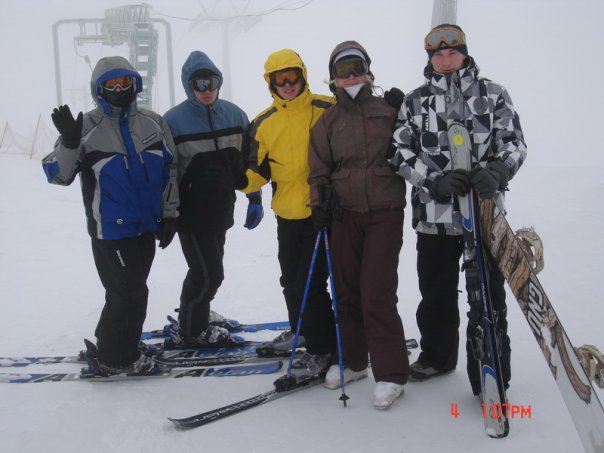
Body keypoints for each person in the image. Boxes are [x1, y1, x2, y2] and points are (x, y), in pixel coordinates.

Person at [389, 24, 527, 395]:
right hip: (434, 218)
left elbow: (514, 143)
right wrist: (432, 181)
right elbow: (399, 152)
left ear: (464, 54)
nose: (446, 61)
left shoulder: (492, 94)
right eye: (438, 55)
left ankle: (491, 369)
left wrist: (496, 171)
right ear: (430, 58)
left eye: (452, 53)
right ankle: (437, 357)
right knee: (436, 293)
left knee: (487, 294)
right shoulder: (415, 102)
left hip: (483, 215)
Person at [42, 56, 179, 377]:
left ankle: (112, 342)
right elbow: (58, 174)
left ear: (134, 83)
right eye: (111, 85)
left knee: (127, 290)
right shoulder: (86, 128)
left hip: (146, 227)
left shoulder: (153, 123)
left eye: (124, 82)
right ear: (99, 89)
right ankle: (117, 359)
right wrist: (69, 142)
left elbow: (171, 171)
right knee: (130, 294)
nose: (119, 90)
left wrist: (170, 214)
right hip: (111, 230)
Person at [308, 40, 409, 409]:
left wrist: (405, 108)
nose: (350, 76)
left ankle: (391, 374)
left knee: (377, 291)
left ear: (368, 71)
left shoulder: (388, 110)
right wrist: (318, 205)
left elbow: (414, 142)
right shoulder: (327, 122)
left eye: (357, 68)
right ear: (332, 78)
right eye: (342, 70)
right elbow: (318, 171)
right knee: (346, 289)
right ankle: (353, 362)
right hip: (344, 213)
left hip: (384, 209)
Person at [243, 49, 336, 379]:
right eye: (279, 79)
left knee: (310, 284)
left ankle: (323, 348)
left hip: (322, 212)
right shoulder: (264, 123)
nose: (287, 84)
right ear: (270, 83)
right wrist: (237, 178)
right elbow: (256, 171)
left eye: (292, 76)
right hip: (287, 214)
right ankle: (302, 331)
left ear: (302, 75)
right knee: (290, 281)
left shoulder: (327, 107)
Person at [163, 51, 252, 346]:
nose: (206, 90)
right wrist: (168, 212)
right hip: (190, 213)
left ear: (219, 81)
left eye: (211, 82)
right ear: (188, 86)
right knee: (208, 275)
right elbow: (167, 171)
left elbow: (248, 162)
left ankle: (197, 311)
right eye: (198, 84)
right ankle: (192, 330)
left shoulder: (235, 115)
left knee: (207, 271)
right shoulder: (173, 121)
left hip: (222, 209)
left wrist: (254, 197)